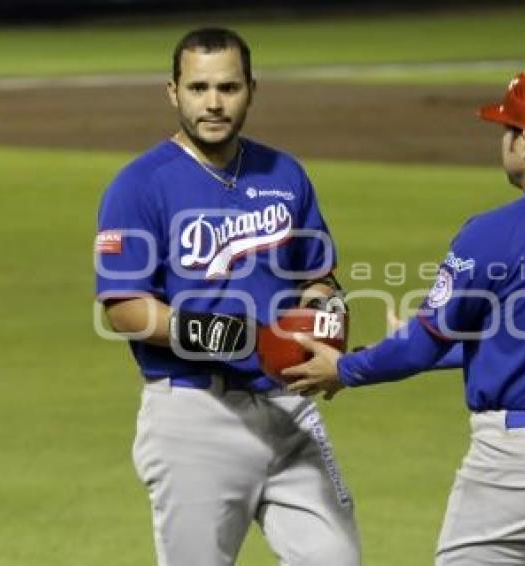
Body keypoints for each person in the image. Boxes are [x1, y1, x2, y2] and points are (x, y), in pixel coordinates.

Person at [285, 68, 525, 565]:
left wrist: (345, 369)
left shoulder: (495, 231)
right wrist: (429, 352)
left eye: (507, 129)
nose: (504, 140)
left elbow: (421, 343)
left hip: (522, 463)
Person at [94, 27, 360, 566]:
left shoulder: (285, 174)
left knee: (335, 558)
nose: (213, 103)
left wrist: (322, 313)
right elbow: (123, 307)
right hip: (195, 414)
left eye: (228, 88)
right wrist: (226, 334)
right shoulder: (139, 185)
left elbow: (319, 277)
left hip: (287, 407)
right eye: (198, 88)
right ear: (173, 92)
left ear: (251, 90)